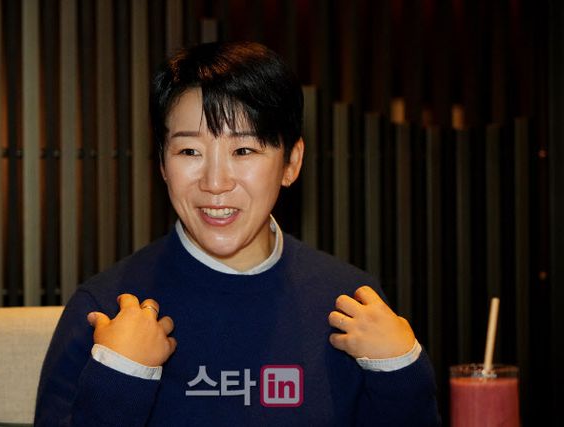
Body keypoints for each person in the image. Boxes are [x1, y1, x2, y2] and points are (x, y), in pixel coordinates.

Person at [34, 41, 440, 426]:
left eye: (243, 151)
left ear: (291, 163)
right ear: (161, 163)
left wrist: (400, 369)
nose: (215, 183)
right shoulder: (106, 309)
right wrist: (119, 376)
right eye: (189, 151)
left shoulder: (352, 305)